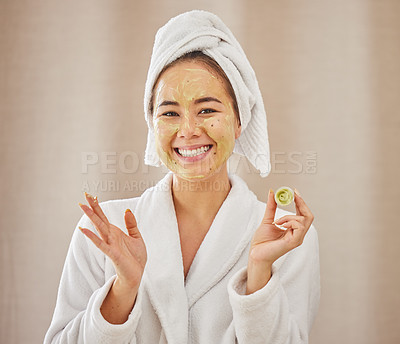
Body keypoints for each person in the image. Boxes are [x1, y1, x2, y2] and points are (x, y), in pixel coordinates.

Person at [44, 10, 320, 344]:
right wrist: (122, 292)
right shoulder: (104, 231)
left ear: (239, 120)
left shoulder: (285, 238)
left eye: (207, 109)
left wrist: (259, 274)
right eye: (170, 113)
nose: (188, 131)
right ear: (152, 126)